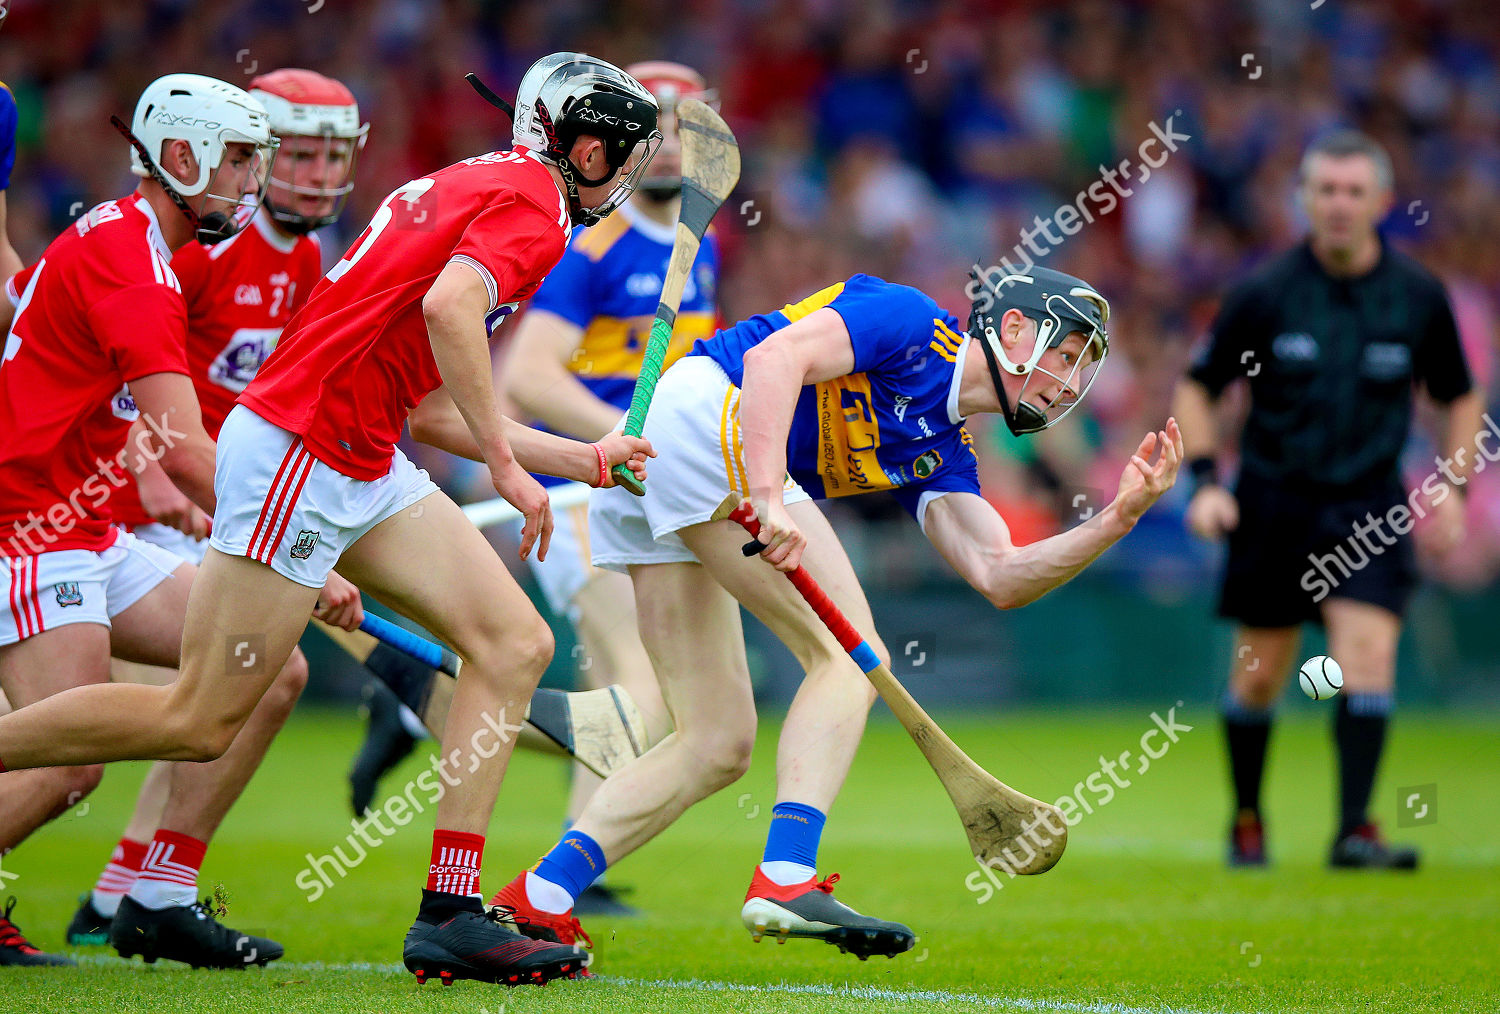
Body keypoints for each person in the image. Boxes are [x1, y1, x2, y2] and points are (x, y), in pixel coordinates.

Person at [0, 52, 660, 988]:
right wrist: (510, 466)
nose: (624, 174)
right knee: (200, 716)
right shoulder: (537, 205)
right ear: (582, 146)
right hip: (302, 454)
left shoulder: (476, 182)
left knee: (512, 641)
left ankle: (451, 913)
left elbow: (424, 403)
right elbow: (452, 308)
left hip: (361, 456)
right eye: (619, 154)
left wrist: (580, 458)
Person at [444, 262, 1178, 961]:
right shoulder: (913, 322)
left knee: (716, 740)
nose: (1073, 381)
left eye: (1086, 367)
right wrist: (766, 496)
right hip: (711, 418)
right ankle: (787, 876)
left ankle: (538, 898)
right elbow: (772, 361)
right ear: (1014, 329)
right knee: (852, 659)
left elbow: (1000, 575)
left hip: (673, 462)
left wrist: (1115, 520)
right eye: (1070, 353)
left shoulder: (941, 450)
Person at [350, 60, 717, 918]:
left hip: (638, 481)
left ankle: (421, 716)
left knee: (636, 707)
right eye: (650, 126)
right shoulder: (586, 239)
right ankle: (566, 872)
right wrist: (616, 432)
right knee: (632, 693)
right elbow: (530, 380)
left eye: (682, 124)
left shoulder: (697, 246)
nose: (663, 145)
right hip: (592, 483)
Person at [0, 73, 321, 970]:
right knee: (69, 766)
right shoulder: (132, 262)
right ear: (181, 157)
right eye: (243, 158)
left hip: (86, 528)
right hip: (22, 530)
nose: (256, 180)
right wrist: (298, 549)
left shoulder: (139, 244)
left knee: (268, 665)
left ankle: (157, 895)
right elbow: (186, 448)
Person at [60, 68, 367, 954]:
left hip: (204, 497)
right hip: (123, 500)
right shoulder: (189, 244)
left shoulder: (302, 257)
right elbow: (124, 374)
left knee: (244, 683)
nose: (310, 174)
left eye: (330, 155)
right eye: (290, 153)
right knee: (161, 713)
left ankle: (132, 893)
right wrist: (164, 478)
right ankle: (137, 891)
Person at [1173, 130, 1480, 870]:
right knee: (1259, 676)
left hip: (1370, 510)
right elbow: (1197, 385)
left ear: (1379, 201)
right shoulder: (1262, 293)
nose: (1339, 204)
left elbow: (1461, 396)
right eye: (1325, 190)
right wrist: (1208, 484)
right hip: (1272, 505)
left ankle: (1354, 831)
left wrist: (1455, 487)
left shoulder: (1417, 297)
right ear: (1305, 200)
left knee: (1367, 656)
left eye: (1353, 191)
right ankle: (1247, 819)